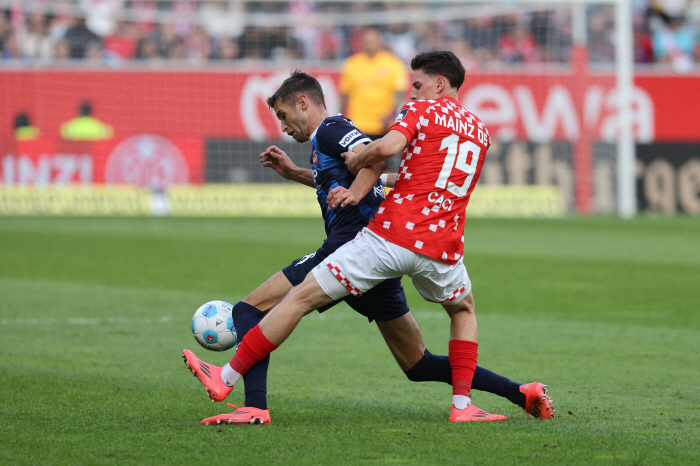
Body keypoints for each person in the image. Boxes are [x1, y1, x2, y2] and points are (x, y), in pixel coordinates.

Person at [182, 69, 554, 425]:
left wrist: (357, 189)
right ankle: (520, 393)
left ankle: (251, 404)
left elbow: (372, 159)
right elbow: (344, 178)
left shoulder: (331, 128)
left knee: (249, 309)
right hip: (379, 256)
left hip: (355, 246)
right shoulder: (323, 143)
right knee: (418, 364)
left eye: (283, 115)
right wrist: (295, 173)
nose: (282, 125)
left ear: (302, 102)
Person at [340, 27, 408, 142]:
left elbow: (399, 93)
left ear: (379, 41)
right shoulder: (352, 64)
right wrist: (339, 118)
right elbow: (345, 94)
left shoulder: (392, 63)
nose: (370, 43)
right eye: (367, 40)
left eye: (373, 40)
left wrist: (391, 114)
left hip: (384, 125)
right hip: (358, 125)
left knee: (385, 159)